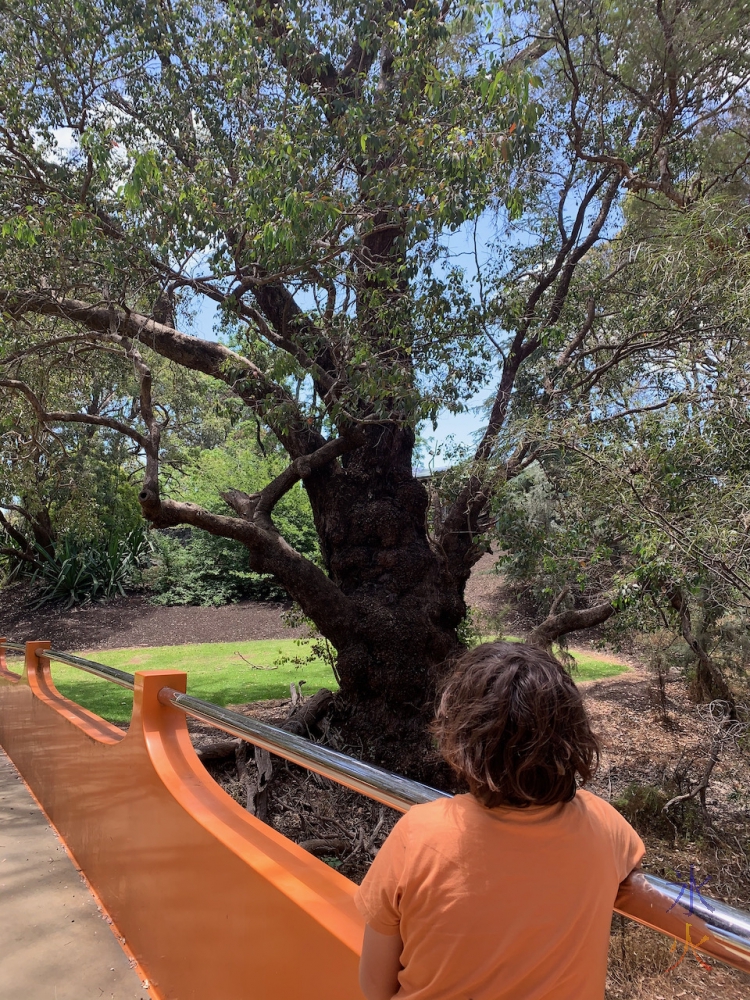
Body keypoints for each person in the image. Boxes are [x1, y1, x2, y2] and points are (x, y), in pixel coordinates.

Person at [355, 640, 645, 1000]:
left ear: (462, 736)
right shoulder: (606, 825)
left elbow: (374, 987)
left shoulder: (417, 835)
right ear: (573, 735)